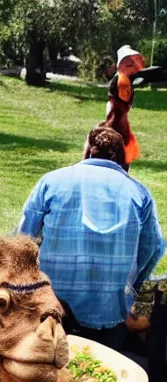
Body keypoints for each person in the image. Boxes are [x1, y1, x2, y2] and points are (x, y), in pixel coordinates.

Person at [18, 126, 165, 351]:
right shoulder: (139, 193)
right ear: (121, 160)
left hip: (50, 311)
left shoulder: (52, 181)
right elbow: (153, 247)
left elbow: (23, 240)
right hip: (110, 317)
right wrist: (130, 286)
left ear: (87, 152)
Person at [101, 45, 164, 169]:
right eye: (128, 62)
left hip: (119, 124)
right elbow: (121, 100)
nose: (133, 64)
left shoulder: (124, 78)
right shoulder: (121, 80)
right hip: (116, 124)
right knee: (118, 158)